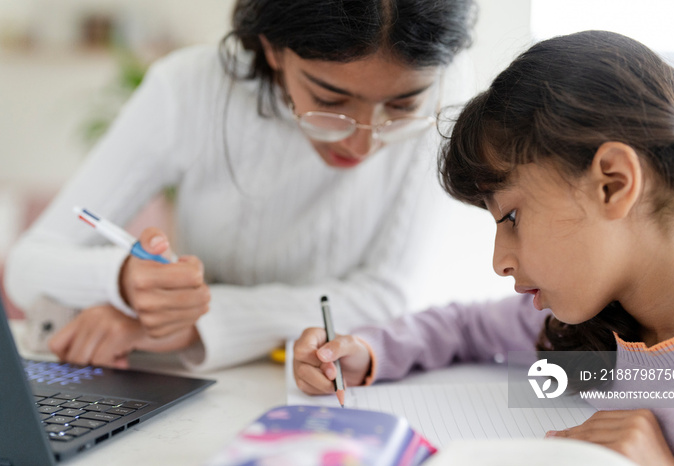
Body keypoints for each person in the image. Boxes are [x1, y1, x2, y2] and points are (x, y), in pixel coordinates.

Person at [292, 30, 674, 466]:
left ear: (613, 183)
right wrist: (371, 353)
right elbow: (467, 327)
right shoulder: (594, 332)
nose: (499, 262)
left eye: (512, 218)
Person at [3, 0, 477, 371]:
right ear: (273, 49)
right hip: (194, 387)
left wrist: (193, 325)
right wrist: (124, 282)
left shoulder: (442, 91)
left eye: (401, 106)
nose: (361, 142)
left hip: (338, 380)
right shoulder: (189, 89)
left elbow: (386, 295)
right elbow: (26, 268)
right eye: (330, 99)